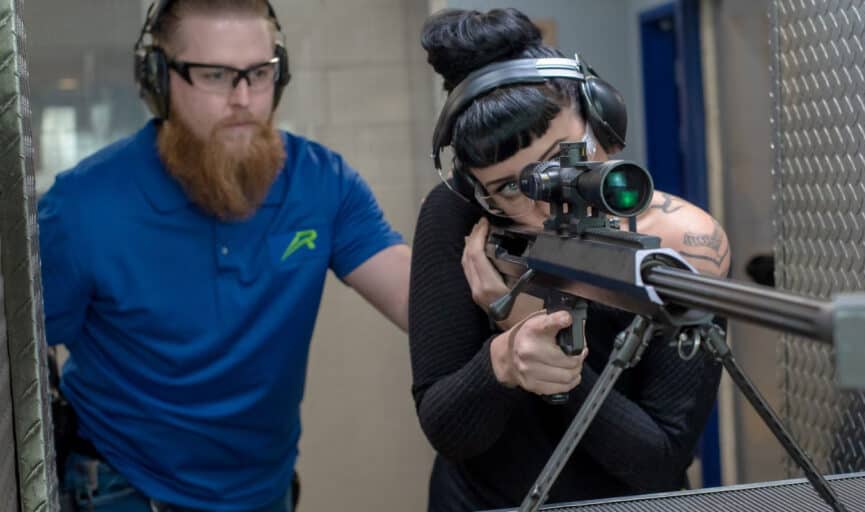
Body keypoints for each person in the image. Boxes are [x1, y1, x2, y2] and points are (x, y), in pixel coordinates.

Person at [38, 1, 410, 510]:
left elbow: (418, 300)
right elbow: (17, 358)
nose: (244, 99)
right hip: (123, 485)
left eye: (259, 74)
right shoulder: (81, 208)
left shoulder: (322, 182)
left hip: (265, 488)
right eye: (215, 75)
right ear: (157, 79)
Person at [408, 7, 732, 511]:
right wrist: (506, 358)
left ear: (602, 124)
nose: (545, 199)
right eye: (512, 188)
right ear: (480, 194)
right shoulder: (455, 215)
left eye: (563, 159)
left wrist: (536, 333)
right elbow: (448, 428)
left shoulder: (683, 241)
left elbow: (659, 458)